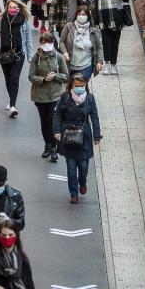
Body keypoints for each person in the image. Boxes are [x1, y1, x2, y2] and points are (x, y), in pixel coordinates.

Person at [53, 73, 102, 204]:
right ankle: (73, 194)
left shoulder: (90, 99)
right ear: (72, 85)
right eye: (77, 86)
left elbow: (95, 117)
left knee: (84, 166)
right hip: (69, 135)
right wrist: (57, 130)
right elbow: (58, 114)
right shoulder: (65, 97)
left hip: (84, 136)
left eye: (82, 86)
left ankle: (83, 182)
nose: (80, 88)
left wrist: (97, 135)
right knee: (71, 169)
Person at [0, 0, 35, 117]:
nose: (13, 9)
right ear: (7, 8)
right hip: (4, 54)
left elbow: (28, 39)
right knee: (8, 80)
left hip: (19, 54)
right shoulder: (1, 19)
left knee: (14, 79)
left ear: (19, 8)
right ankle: (11, 99)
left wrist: (30, 56)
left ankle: (13, 106)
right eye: (10, 7)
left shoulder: (24, 20)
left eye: (15, 7)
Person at [28, 31, 68, 160]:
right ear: (40, 44)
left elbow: (66, 76)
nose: (47, 45)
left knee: (53, 121)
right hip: (40, 95)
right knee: (44, 122)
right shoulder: (36, 58)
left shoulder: (59, 57)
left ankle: (54, 148)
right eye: (44, 43)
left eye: (49, 42)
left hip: (55, 95)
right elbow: (31, 76)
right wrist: (44, 79)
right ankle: (48, 145)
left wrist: (55, 76)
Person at [95, 0, 129, 75]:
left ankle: (114, 65)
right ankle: (107, 64)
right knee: (106, 42)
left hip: (117, 18)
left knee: (115, 43)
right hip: (104, 18)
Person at [59, 5, 104, 81]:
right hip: (70, 65)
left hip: (86, 65)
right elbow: (61, 42)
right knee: (71, 89)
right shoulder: (69, 27)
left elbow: (99, 47)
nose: (81, 16)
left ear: (88, 16)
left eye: (83, 14)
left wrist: (100, 61)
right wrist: (64, 52)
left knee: (81, 85)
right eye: (79, 14)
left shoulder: (93, 30)